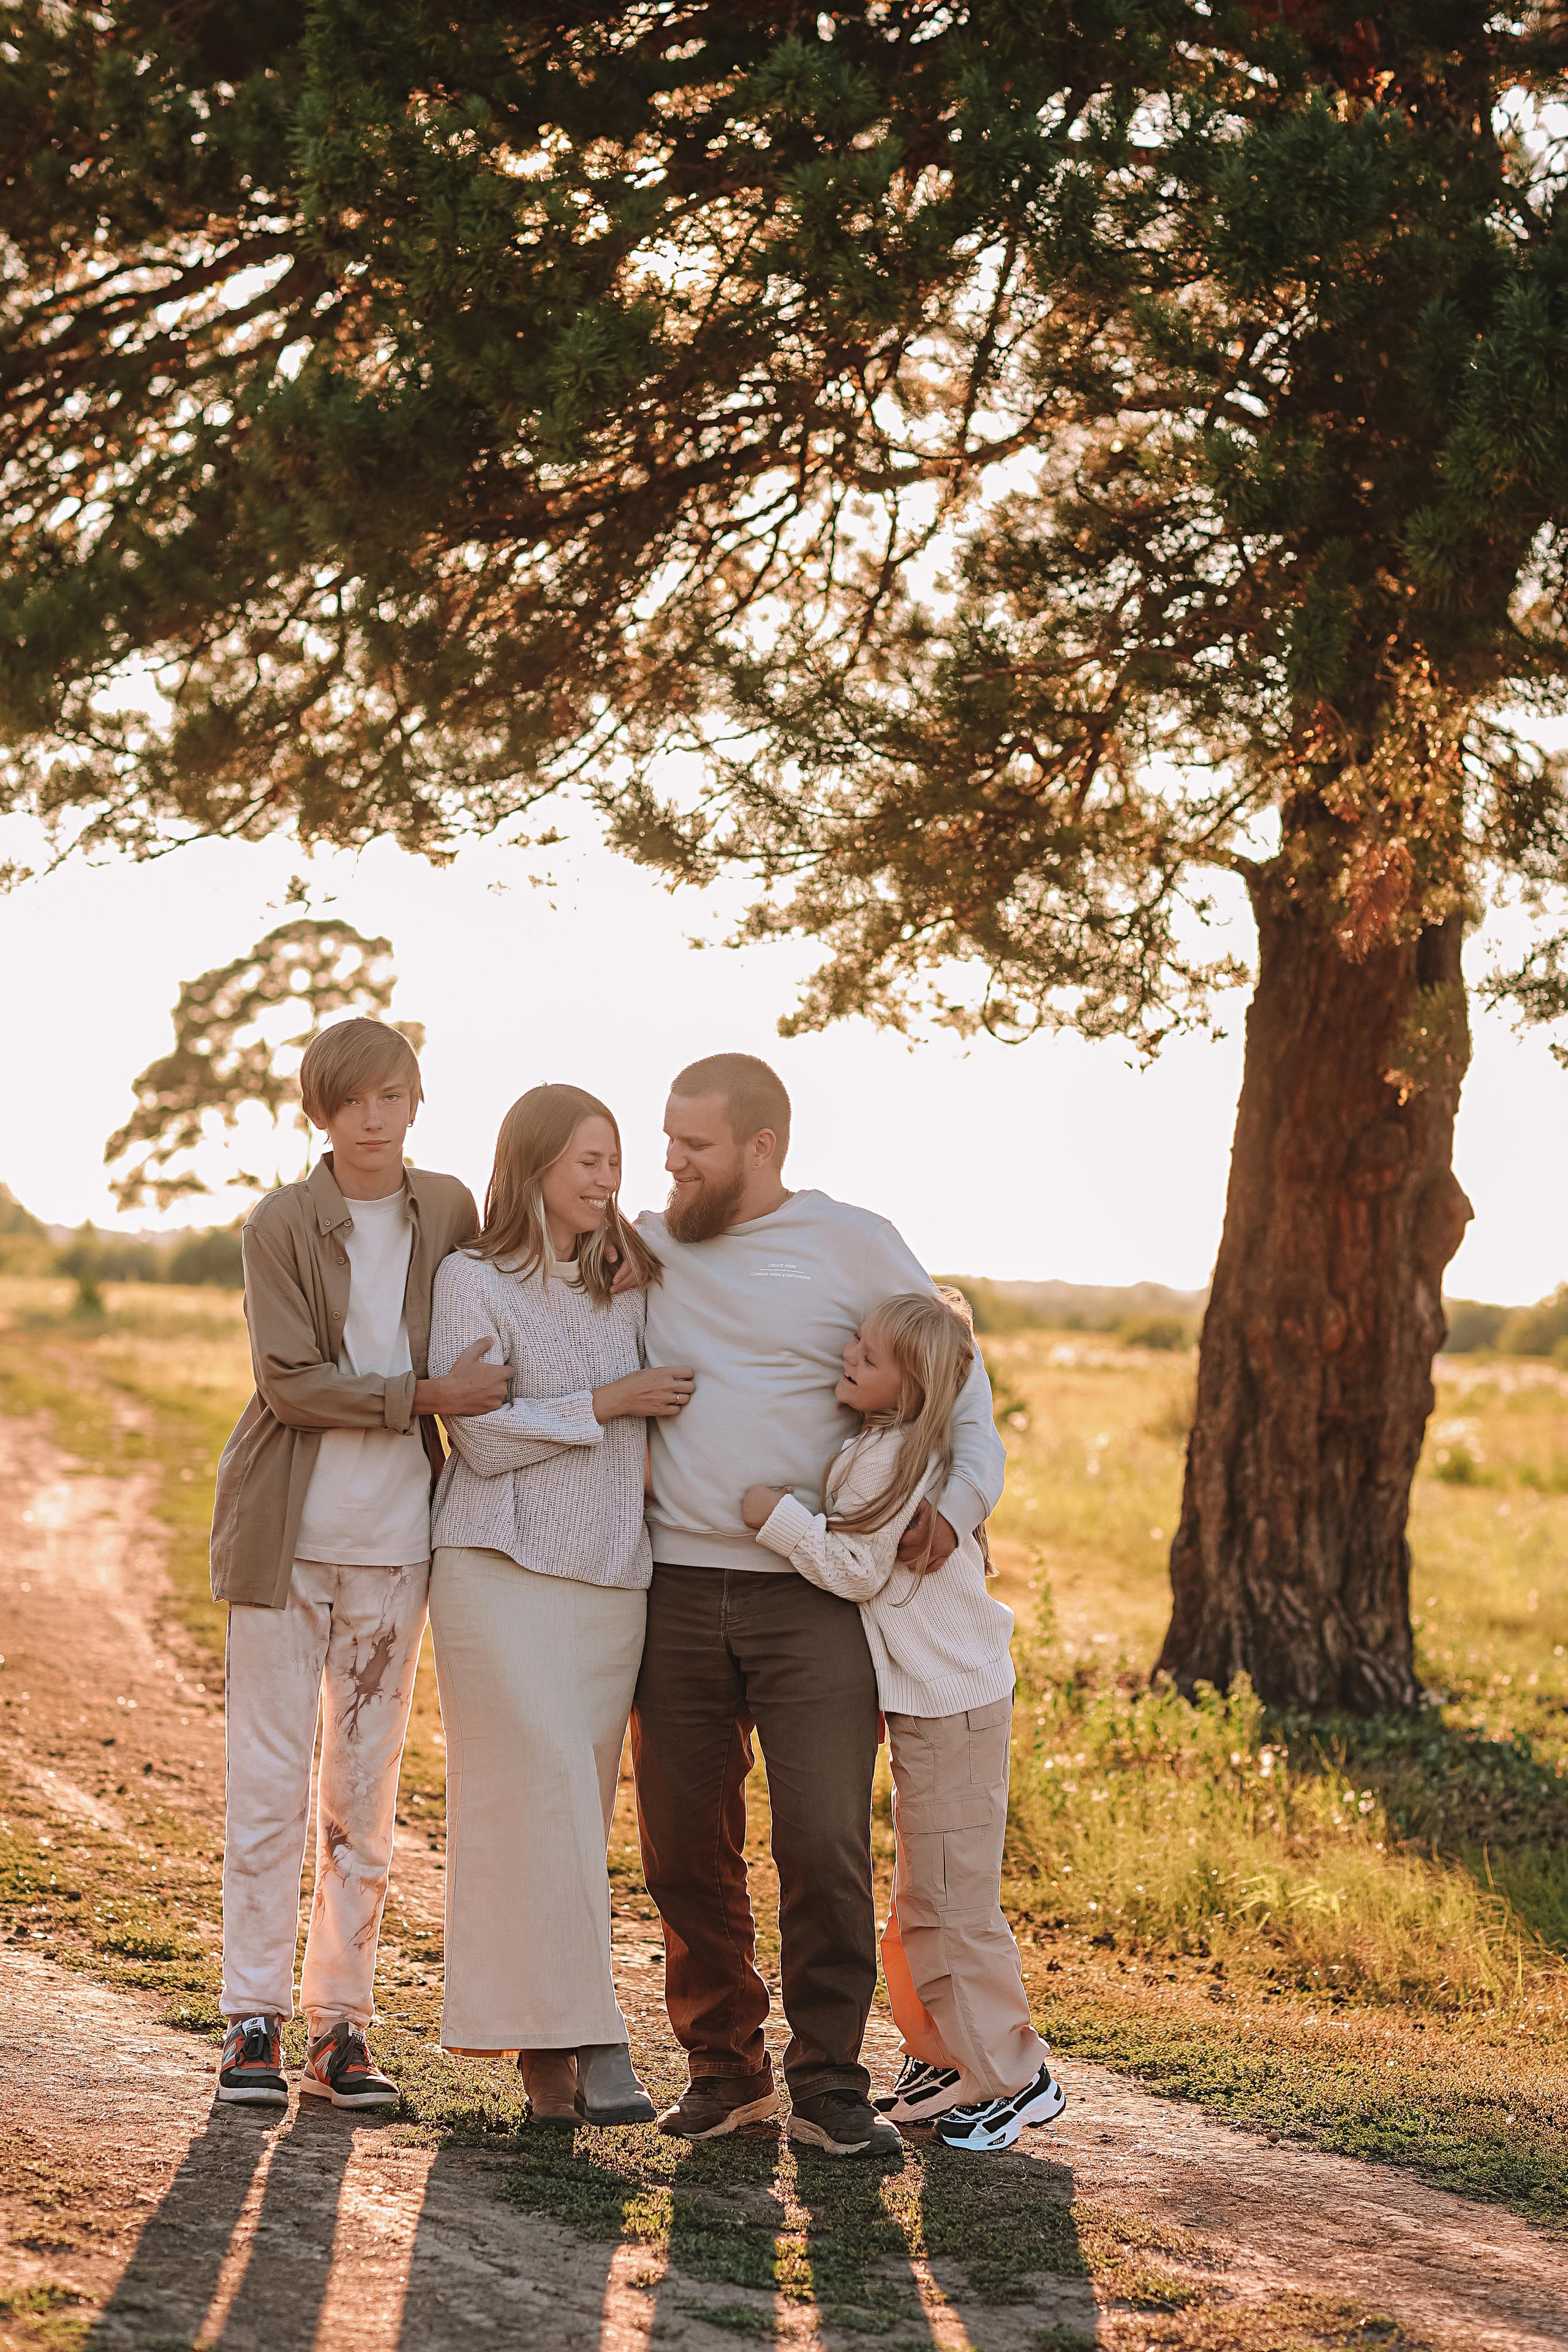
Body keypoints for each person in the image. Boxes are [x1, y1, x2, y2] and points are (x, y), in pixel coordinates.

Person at [631, 1053, 1006, 2158]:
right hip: (676, 1589)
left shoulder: (853, 1241)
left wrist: (962, 1501)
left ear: (762, 1148)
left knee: (827, 1840)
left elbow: (964, 1394)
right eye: (666, 1139)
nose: (670, 1163)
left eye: (692, 1144)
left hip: (815, 1600)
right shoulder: (651, 1243)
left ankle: (830, 2083)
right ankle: (725, 2070)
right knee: (683, 1846)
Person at [211, 1019, 506, 2109]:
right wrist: (426, 1398)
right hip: (285, 1537)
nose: (373, 1119)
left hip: (399, 1546)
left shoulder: (451, 1210)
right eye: (352, 1103)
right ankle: (253, 2021)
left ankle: (343, 2028)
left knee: (364, 1797)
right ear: (322, 1114)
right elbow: (289, 1383)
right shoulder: (280, 1225)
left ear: (416, 1100)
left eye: (392, 1097)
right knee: (269, 1784)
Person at [427, 1084, 695, 2126]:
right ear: (533, 1162)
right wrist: (606, 1405)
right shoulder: (472, 1280)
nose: (607, 1178)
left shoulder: (628, 1283)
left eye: (615, 1161)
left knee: (572, 1815)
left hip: (610, 1582)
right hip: (496, 1568)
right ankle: (586, 2038)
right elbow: (481, 1439)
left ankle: (548, 2051)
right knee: (525, 1803)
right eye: (588, 1160)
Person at [741, 1290, 1063, 2154]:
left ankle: (1010, 2076)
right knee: (923, 1896)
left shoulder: (891, 1464)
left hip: (955, 1705)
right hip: (934, 1704)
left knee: (954, 1901)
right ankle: (946, 2056)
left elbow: (851, 1570)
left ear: (911, 1385)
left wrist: (775, 1518)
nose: (850, 1354)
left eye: (870, 1354)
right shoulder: (886, 1449)